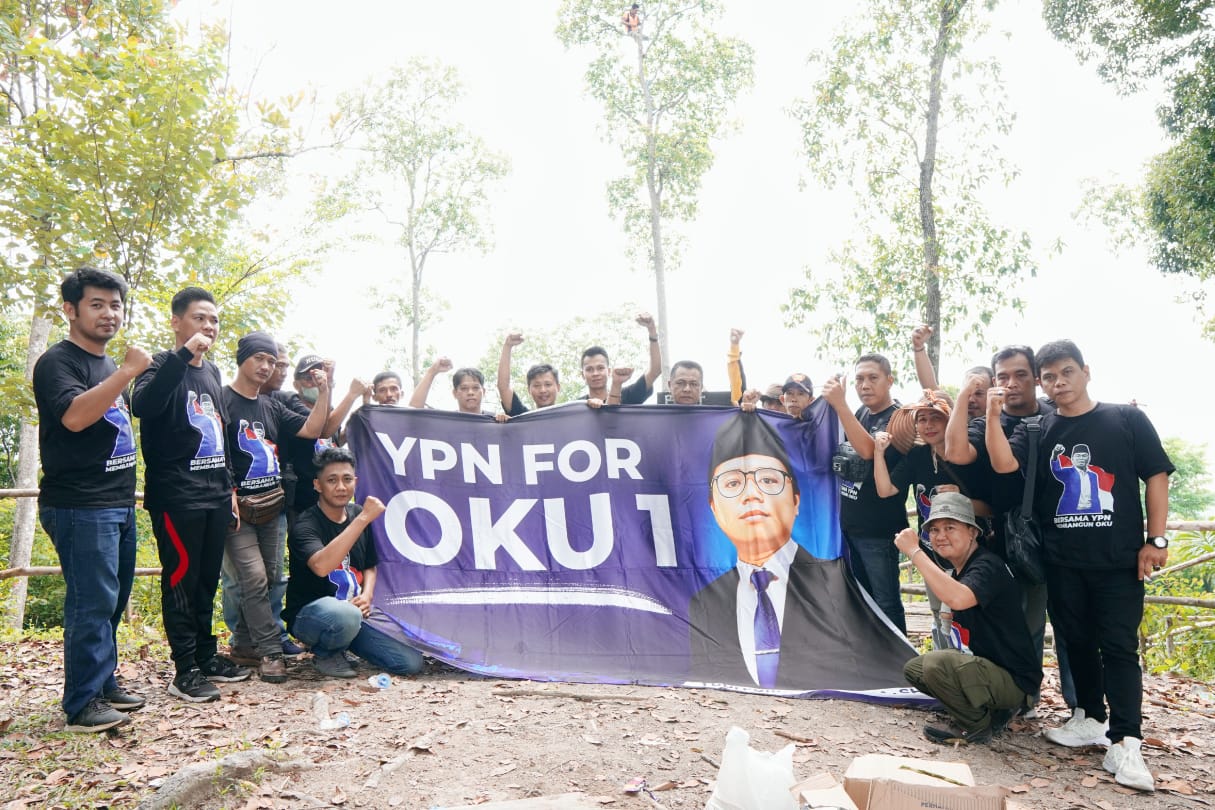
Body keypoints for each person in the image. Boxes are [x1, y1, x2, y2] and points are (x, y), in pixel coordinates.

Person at [985, 340, 1172, 793]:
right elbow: (1003, 463)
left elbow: (1157, 476)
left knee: (1120, 647)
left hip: (1118, 559)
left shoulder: (1125, 419)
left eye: (1067, 372)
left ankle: (1127, 741)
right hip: (1062, 559)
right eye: (1049, 376)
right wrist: (991, 415)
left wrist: (1156, 539)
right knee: (1076, 640)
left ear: (1086, 371)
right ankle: (1088, 716)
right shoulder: (1037, 428)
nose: (1058, 382)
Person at [687, 410, 914, 690]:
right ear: (714, 508)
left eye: (768, 480)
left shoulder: (835, 583)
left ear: (796, 500)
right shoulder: (704, 602)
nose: (751, 494)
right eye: (733, 483)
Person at [33, 267, 151, 732]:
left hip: (117, 501)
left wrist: (120, 371)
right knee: (91, 602)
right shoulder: (58, 362)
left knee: (113, 598)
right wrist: (127, 371)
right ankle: (82, 703)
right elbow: (76, 418)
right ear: (71, 310)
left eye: (115, 305)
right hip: (79, 503)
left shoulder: (106, 365)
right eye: (97, 304)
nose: (109, 314)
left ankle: (102, 683)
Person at [131, 287, 250, 703]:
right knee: (181, 580)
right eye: (200, 318)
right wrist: (182, 357)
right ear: (176, 322)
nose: (209, 327)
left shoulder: (213, 373)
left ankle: (205, 654)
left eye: (214, 320)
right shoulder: (160, 363)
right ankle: (184, 671)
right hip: (177, 496)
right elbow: (142, 404)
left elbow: (219, 432)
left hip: (216, 494)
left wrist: (231, 488)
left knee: (205, 581)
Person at [222, 331, 330, 683]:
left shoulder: (271, 405)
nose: (267, 367)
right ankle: (270, 651)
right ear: (242, 359)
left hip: (272, 505)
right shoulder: (222, 400)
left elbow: (313, 429)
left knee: (269, 578)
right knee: (252, 578)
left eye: (271, 360)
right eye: (259, 358)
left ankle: (242, 644)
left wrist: (325, 391)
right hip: (237, 507)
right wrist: (226, 495)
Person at [897, 493, 1041, 744]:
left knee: (936, 665)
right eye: (935, 530)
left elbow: (959, 599)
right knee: (916, 669)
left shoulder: (987, 566)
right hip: (985, 667)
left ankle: (976, 726)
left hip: (1015, 681)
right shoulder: (960, 568)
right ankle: (986, 710)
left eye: (950, 527)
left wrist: (914, 552)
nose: (941, 536)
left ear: (973, 532)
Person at [284, 447, 425, 678]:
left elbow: (370, 564)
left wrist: (367, 595)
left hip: (354, 614)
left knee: (409, 662)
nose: (341, 487)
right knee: (344, 614)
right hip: (310, 617)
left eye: (347, 479)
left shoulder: (358, 513)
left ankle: (343, 643)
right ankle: (326, 653)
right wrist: (362, 520)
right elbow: (321, 566)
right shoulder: (305, 525)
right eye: (332, 480)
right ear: (318, 485)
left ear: (355, 482)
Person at [872, 390, 988, 648]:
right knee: (939, 617)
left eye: (935, 418)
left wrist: (961, 501)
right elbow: (885, 490)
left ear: (950, 420)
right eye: (922, 419)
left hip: (971, 556)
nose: (928, 425)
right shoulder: (917, 457)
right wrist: (878, 453)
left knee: (970, 619)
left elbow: (991, 509)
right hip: (932, 553)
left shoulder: (969, 457)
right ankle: (944, 673)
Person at [831, 354, 909, 633]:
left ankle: (900, 666)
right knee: (863, 601)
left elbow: (866, 452)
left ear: (890, 380)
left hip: (880, 531)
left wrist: (840, 405)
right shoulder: (862, 413)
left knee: (886, 602)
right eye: (859, 379)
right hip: (852, 527)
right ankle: (873, 664)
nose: (865, 385)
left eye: (872, 378)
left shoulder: (900, 419)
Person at [579, 313, 662, 406]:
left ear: (609, 371)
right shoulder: (577, 407)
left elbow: (655, 371)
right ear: (583, 375)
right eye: (589, 369)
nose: (595, 373)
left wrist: (652, 330)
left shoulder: (628, 396)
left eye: (600, 368)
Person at [410, 358, 500, 416]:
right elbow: (413, 413)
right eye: (464, 388)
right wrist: (432, 372)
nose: (470, 392)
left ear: (483, 392)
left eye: (475, 388)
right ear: (455, 393)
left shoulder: (495, 421)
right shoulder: (448, 421)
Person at [497, 332, 561, 415]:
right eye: (536, 386)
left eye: (548, 384)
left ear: (558, 387)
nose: (543, 390)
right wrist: (507, 347)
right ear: (529, 390)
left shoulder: (571, 416)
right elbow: (503, 387)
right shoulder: (524, 417)